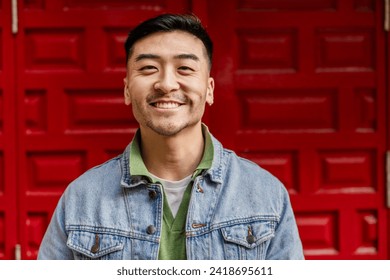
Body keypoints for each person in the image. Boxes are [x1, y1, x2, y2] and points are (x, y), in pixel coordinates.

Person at [38, 13, 304, 260]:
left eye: (185, 69)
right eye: (149, 68)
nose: (166, 84)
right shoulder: (82, 199)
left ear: (209, 89)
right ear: (127, 89)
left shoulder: (265, 194)